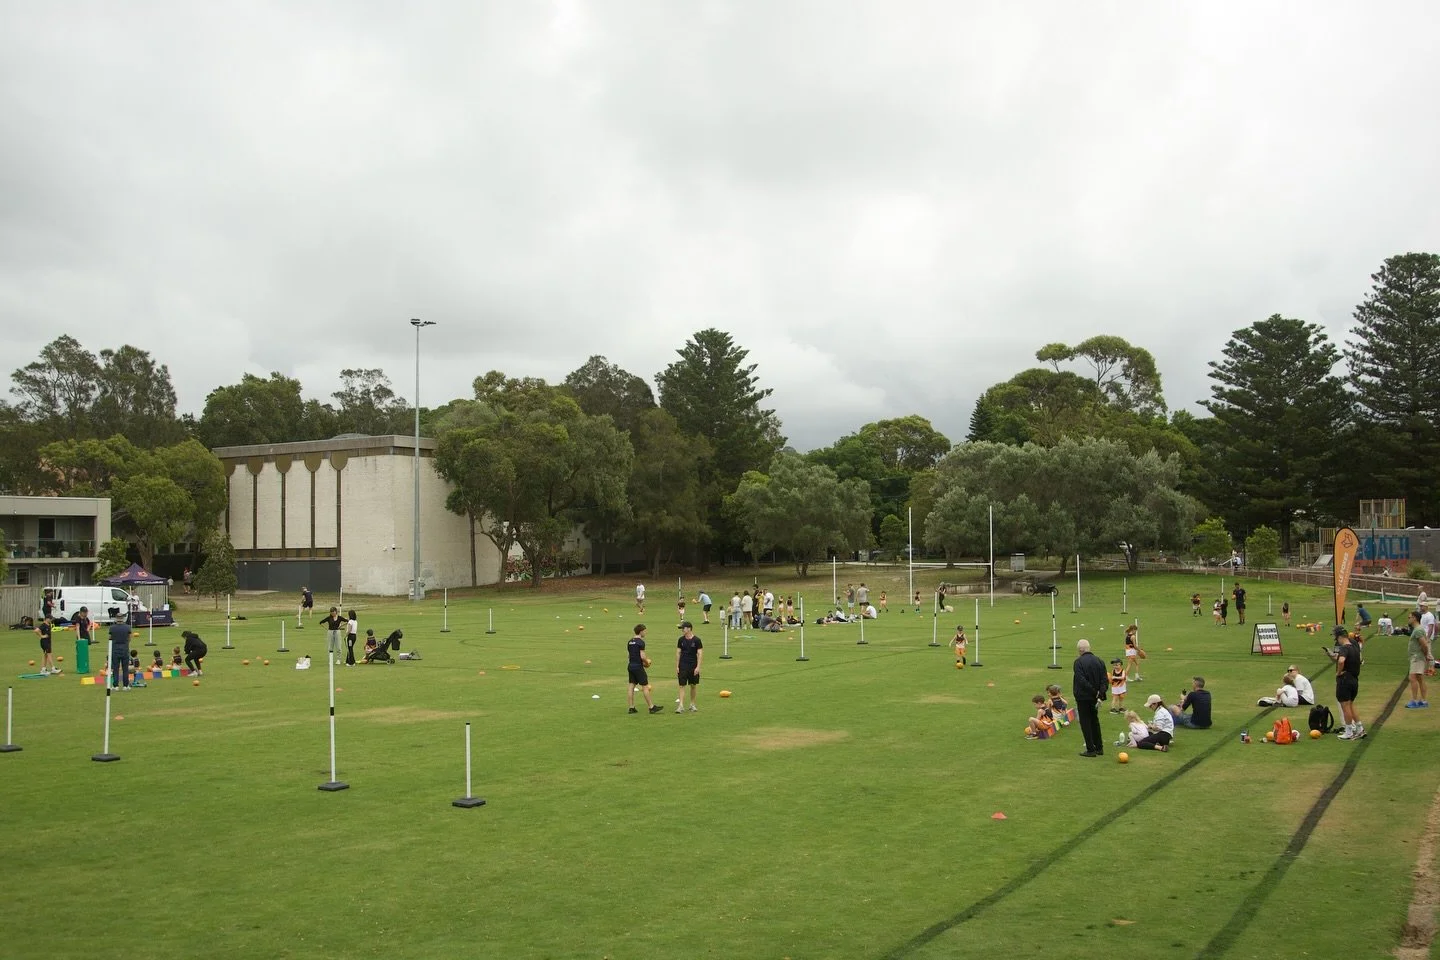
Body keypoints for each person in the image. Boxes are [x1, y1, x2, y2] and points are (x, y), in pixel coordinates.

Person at [1072, 639, 1109, 757]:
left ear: (1080, 650)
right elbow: (1105, 680)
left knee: (1085, 722)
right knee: (1094, 720)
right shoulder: (1099, 661)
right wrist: (1100, 693)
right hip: (1095, 697)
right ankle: (1099, 747)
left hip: (1083, 697)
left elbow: (1081, 680)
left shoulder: (1078, 662)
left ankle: (1090, 749)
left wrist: (1094, 692)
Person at [1329, 626, 1365, 740]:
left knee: (1345, 706)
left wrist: (1339, 672)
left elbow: (1341, 661)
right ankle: (1360, 728)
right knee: (1351, 705)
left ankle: (1349, 731)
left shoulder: (1344, 648)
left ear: (1339, 637)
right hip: (1354, 679)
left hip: (1345, 680)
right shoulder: (1354, 646)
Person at [626, 624, 662, 714]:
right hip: (638, 667)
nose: (645, 632)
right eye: (645, 631)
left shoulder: (630, 642)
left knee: (631, 686)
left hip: (630, 666)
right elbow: (642, 656)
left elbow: (629, 656)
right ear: (641, 631)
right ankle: (651, 707)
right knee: (645, 686)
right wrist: (647, 663)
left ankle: (631, 707)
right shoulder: (640, 642)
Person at [1405, 610, 1433, 709]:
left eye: (1409, 617)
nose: (1408, 619)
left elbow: (1424, 645)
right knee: (1420, 678)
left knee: (1412, 678)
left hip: (1417, 657)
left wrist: (1426, 655)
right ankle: (1423, 701)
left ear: (1415, 618)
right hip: (1417, 657)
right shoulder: (1417, 629)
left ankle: (1414, 700)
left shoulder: (1418, 630)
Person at [675, 621, 703, 713]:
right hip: (683, 665)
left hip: (693, 666)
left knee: (693, 685)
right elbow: (678, 653)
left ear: (689, 629)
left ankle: (692, 704)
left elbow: (700, 654)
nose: (682, 630)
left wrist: (698, 667)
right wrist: (677, 666)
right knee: (682, 685)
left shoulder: (697, 640)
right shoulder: (681, 640)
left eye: (683, 628)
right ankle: (681, 706)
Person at [108, 616, 133, 689]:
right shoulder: (127, 627)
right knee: (125, 668)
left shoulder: (112, 628)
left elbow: (110, 638)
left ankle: (116, 685)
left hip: (115, 649)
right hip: (125, 649)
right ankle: (126, 685)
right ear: (122, 619)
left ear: (116, 619)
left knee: (115, 668)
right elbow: (130, 638)